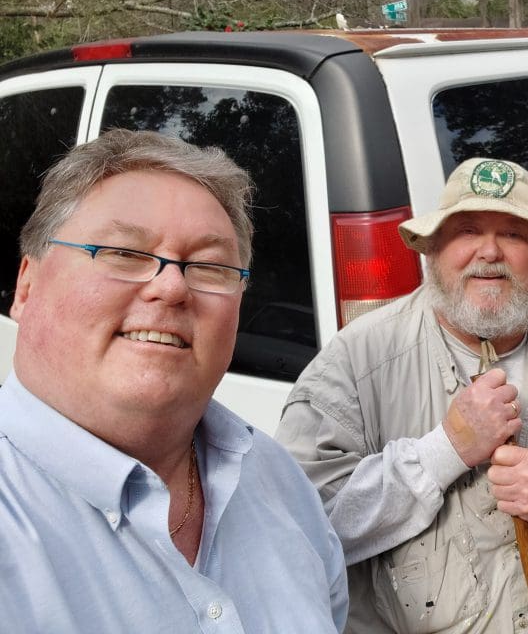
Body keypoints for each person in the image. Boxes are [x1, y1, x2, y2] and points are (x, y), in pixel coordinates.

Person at [275, 157, 528, 634]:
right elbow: (296, 528)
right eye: (467, 230)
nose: (489, 252)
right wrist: (443, 451)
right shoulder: (357, 360)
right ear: (432, 250)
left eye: (513, 234)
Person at [0, 130, 348, 632]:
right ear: (27, 286)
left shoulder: (278, 481)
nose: (171, 287)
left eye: (209, 266)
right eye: (123, 253)